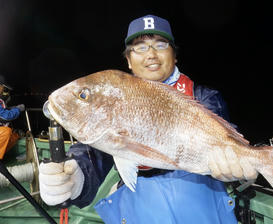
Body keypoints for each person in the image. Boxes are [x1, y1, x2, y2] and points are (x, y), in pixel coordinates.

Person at [39, 15, 257, 223]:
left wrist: (235, 166)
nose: (151, 54)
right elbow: (96, 150)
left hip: (203, 207)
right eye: (140, 47)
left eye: (161, 44)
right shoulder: (118, 98)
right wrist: (76, 176)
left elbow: (223, 141)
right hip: (142, 210)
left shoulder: (203, 97)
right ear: (129, 60)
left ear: (175, 54)